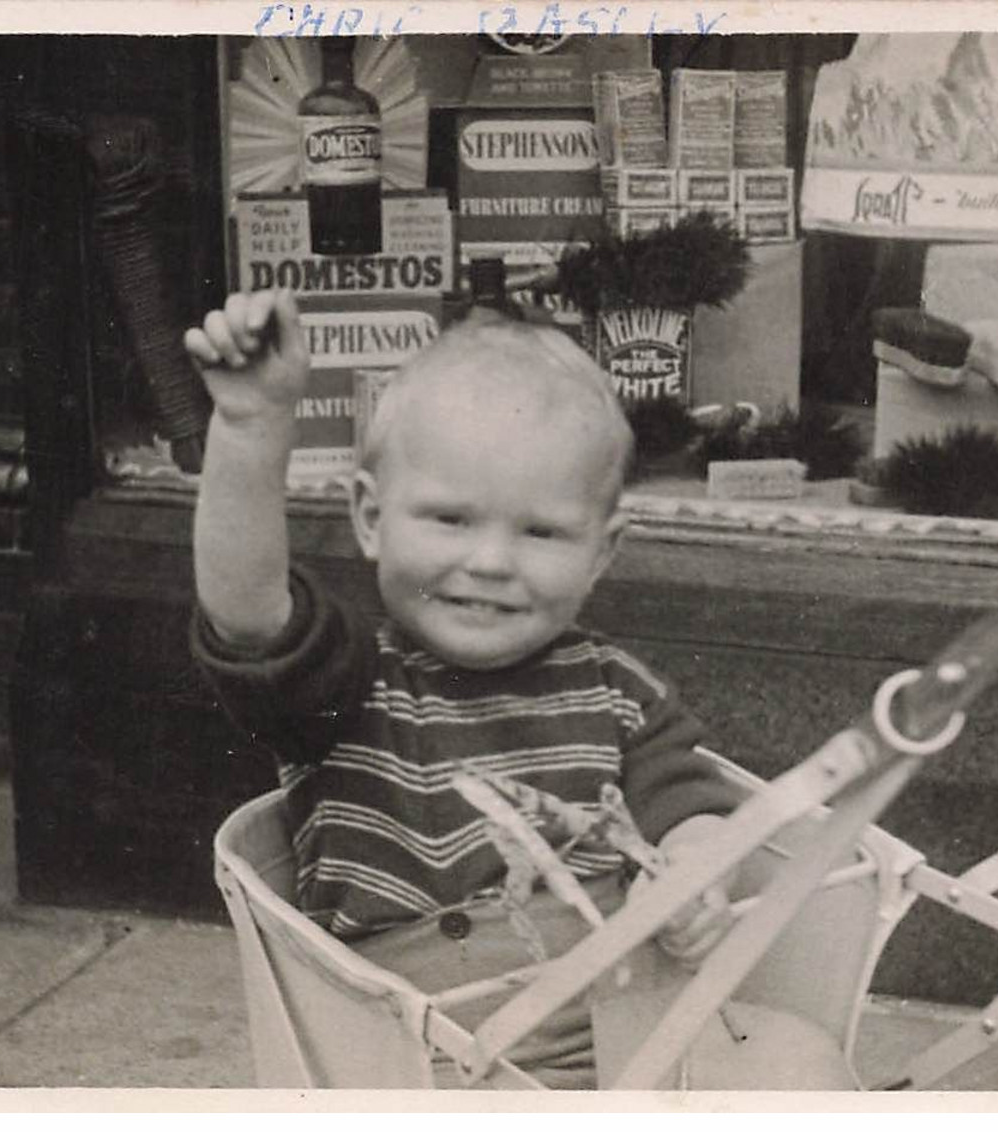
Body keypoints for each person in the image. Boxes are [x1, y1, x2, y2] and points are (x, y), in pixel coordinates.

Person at [185, 288, 743, 1086]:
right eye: (450, 519)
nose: (490, 562)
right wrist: (251, 426)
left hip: (623, 1044)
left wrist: (695, 875)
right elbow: (245, 617)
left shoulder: (619, 693)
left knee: (795, 1056)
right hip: (420, 1065)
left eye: (541, 531)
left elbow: (691, 805)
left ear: (603, 551)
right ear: (372, 519)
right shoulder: (348, 685)